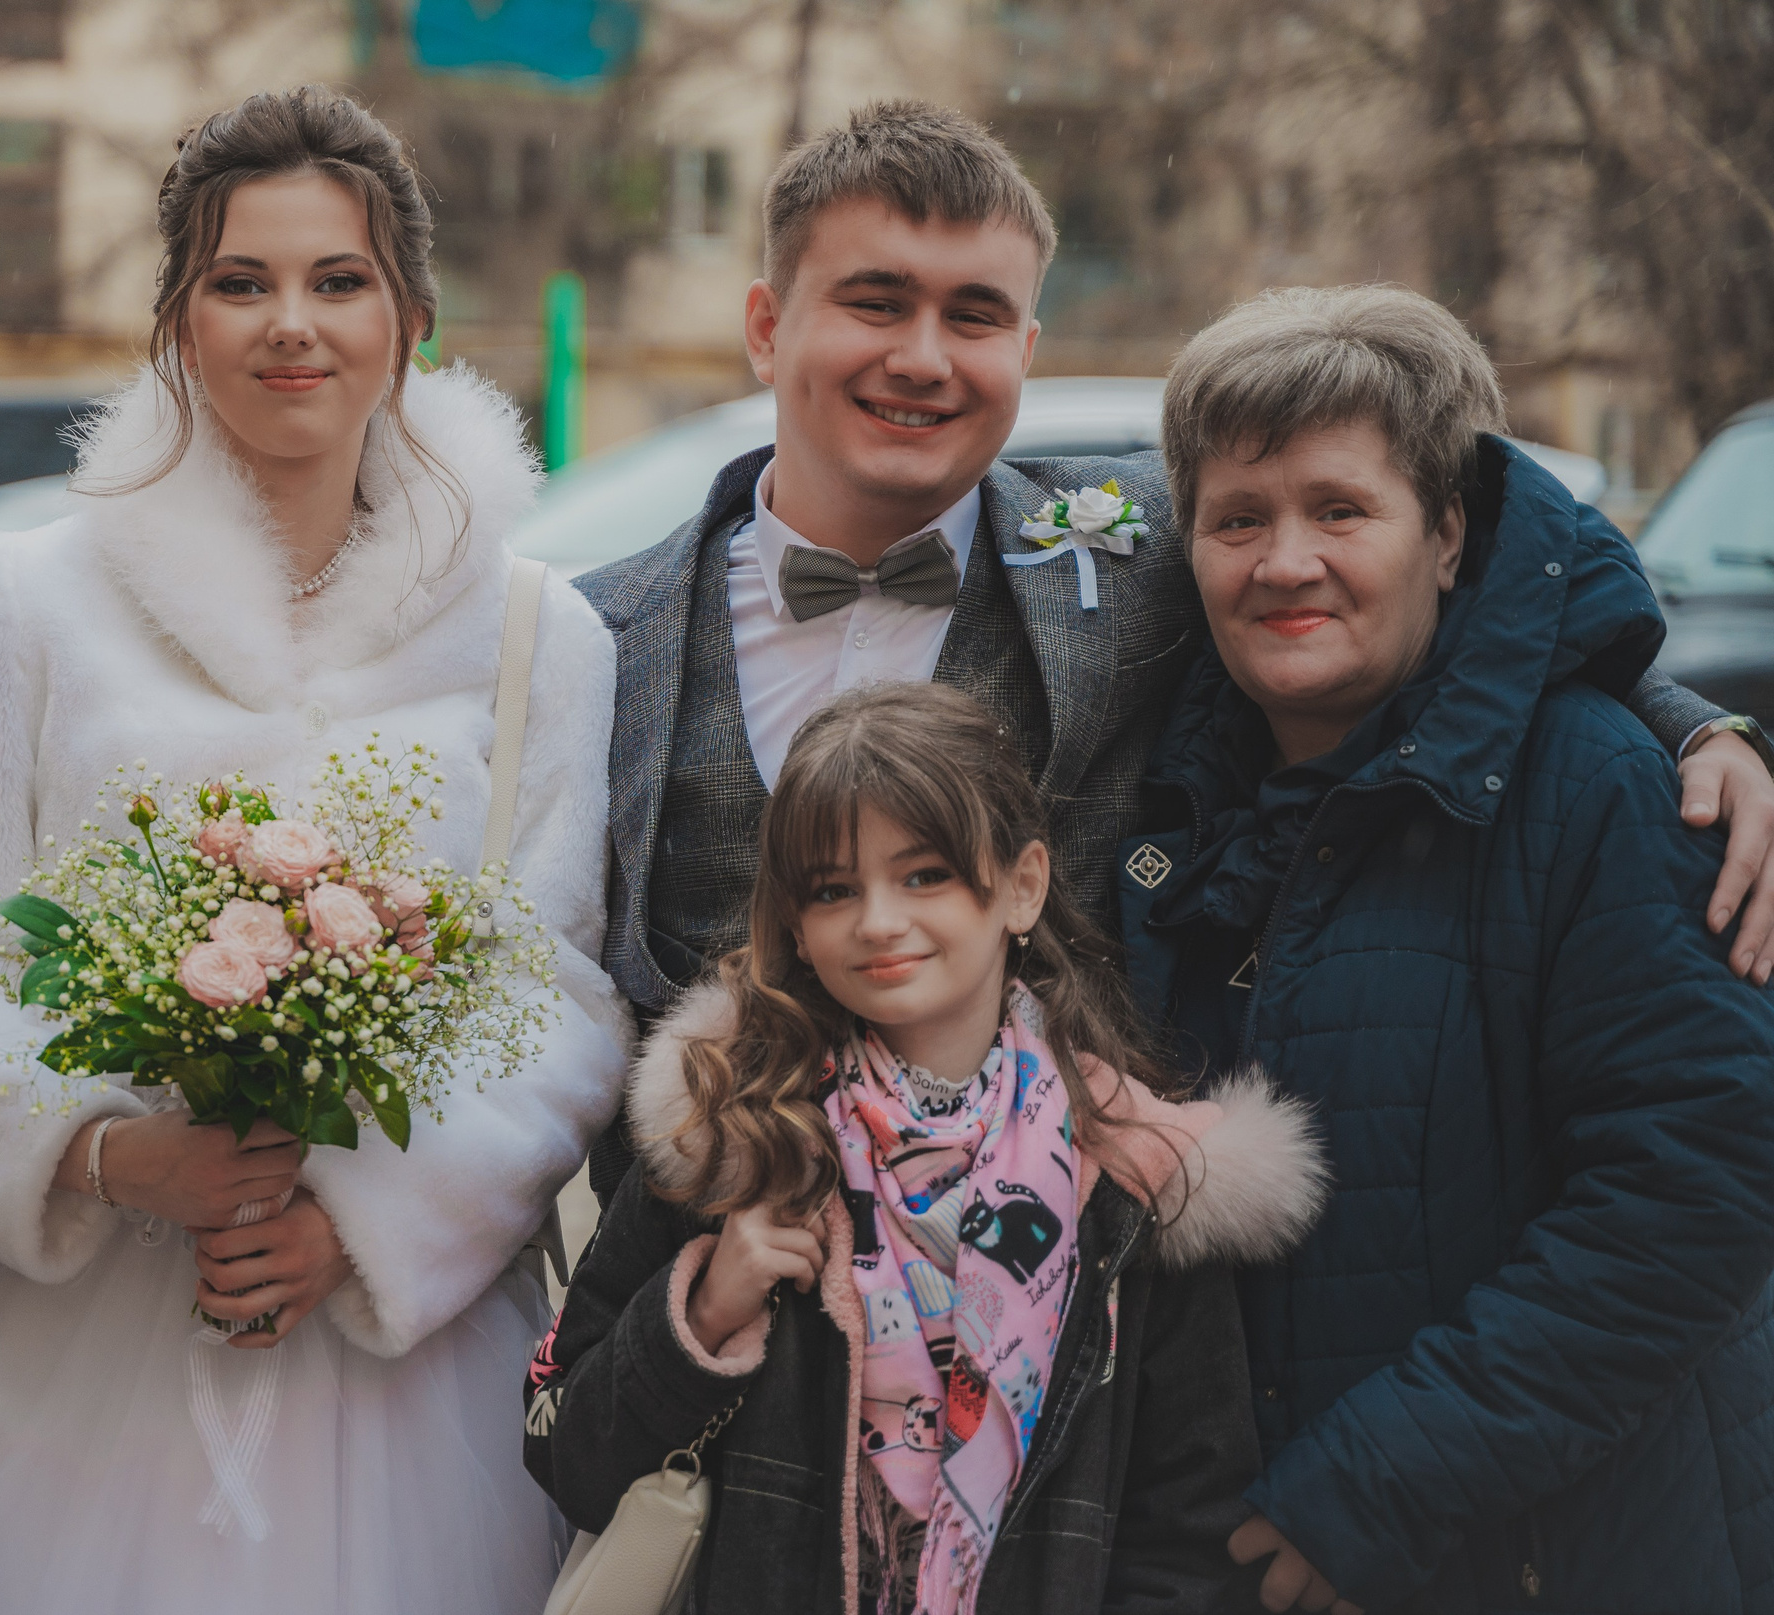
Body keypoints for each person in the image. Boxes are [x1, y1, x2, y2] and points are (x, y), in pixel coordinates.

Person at [575, 100, 1774, 1210]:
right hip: (715, 1331)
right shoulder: (602, 634)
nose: (926, 357)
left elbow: (1465, 590)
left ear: (1026, 347)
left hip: (1060, 1328)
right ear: (766, 325)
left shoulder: (1154, 547)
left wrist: (1685, 721)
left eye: (975, 315)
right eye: (876, 302)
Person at [0, 87, 628, 1615]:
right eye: (240, 281)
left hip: (404, 1369)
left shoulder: (542, 632)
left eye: (339, 281)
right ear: (175, 320)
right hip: (73, 1366)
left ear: (410, 317)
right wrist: (109, 1155)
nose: (294, 325)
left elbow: (556, 1001)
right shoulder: (26, 602)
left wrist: (360, 1226)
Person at [1112, 285, 1774, 1615]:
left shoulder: (1595, 788)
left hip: (1534, 1553)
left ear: (1451, 533)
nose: (1283, 559)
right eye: (1239, 518)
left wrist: (1380, 1486)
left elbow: (1691, 1190)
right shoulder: (1157, 803)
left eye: (1341, 509)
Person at [527, 681, 1328, 1614]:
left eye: (925, 875)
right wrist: (702, 1313)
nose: (877, 920)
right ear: (795, 921)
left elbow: (1188, 1530)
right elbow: (561, 1452)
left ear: (1021, 885)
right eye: (833, 889)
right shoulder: (732, 1137)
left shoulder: (1134, 1179)